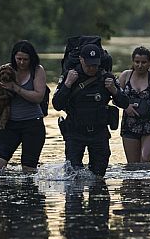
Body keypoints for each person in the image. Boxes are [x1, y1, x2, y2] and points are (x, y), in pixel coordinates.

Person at [52, 43, 129, 178]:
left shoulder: (106, 77)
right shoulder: (70, 76)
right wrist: (67, 84)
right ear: (81, 60)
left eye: (95, 65)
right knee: (72, 177)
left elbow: (125, 103)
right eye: (89, 65)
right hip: (75, 133)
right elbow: (57, 104)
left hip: (99, 133)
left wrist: (114, 90)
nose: (92, 68)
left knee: (99, 177)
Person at [0, 40, 47, 173]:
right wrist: (1, 95)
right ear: (14, 57)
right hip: (8, 123)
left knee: (28, 169)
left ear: (31, 58)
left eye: (25, 59)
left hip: (33, 124)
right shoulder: (6, 69)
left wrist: (15, 88)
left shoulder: (38, 70)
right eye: (19, 59)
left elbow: (38, 97)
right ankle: (5, 193)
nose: (21, 62)